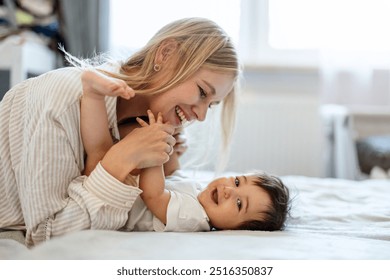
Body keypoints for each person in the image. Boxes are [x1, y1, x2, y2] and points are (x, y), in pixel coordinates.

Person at [0, 17, 239, 247]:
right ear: (165, 54)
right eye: (202, 92)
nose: (201, 115)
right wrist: (120, 161)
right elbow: (47, 235)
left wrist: (161, 160)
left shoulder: (144, 124)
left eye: (211, 105)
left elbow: (158, 197)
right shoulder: (61, 100)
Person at [80, 72, 290, 231]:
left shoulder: (194, 218)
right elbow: (173, 176)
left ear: (237, 229)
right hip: (122, 191)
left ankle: (93, 96)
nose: (229, 191)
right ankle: (93, 94)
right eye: (236, 181)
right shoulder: (198, 195)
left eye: (238, 203)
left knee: (99, 152)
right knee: (101, 150)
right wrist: (172, 149)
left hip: (109, 207)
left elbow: (154, 196)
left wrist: (156, 154)